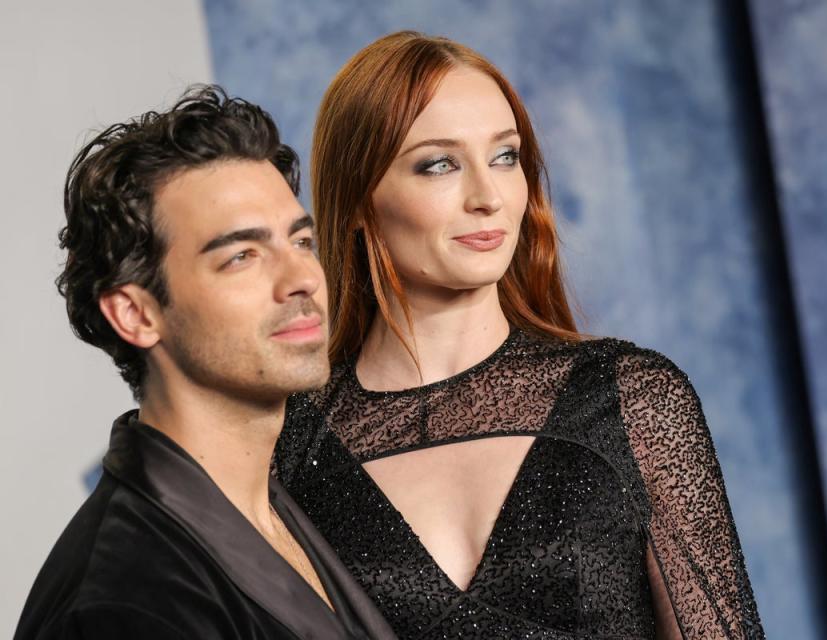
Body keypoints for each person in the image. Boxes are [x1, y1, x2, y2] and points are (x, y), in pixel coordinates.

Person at [276, 32, 764, 639]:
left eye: (505, 157)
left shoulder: (629, 398)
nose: (488, 197)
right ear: (357, 200)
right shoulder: (289, 444)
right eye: (439, 164)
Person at [15, 86, 395, 640]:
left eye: (302, 241)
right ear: (136, 314)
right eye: (242, 256)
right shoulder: (123, 601)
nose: (302, 280)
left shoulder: (289, 508)